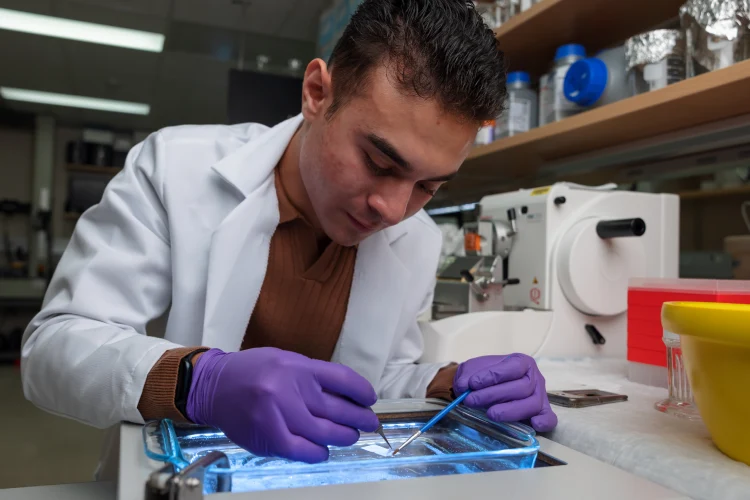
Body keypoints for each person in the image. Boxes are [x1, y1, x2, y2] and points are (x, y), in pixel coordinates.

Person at [22, 0, 557, 464]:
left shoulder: (415, 240)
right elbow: (53, 350)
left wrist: (448, 387)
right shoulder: (174, 168)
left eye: (429, 187)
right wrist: (199, 382)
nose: (394, 210)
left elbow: (370, 383)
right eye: (378, 162)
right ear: (317, 93)